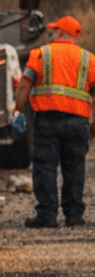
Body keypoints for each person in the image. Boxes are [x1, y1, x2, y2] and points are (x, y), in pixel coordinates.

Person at [16, 16, 95, 228]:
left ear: (60, 33)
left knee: (45, 166)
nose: (51, 35)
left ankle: (47, 216)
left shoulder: (41, 54)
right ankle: (74, 215)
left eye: (54, 32)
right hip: (79, 123)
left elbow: (25, 83)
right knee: (75, 169)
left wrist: (17, 110)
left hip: (48, 121)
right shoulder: (89, 59)